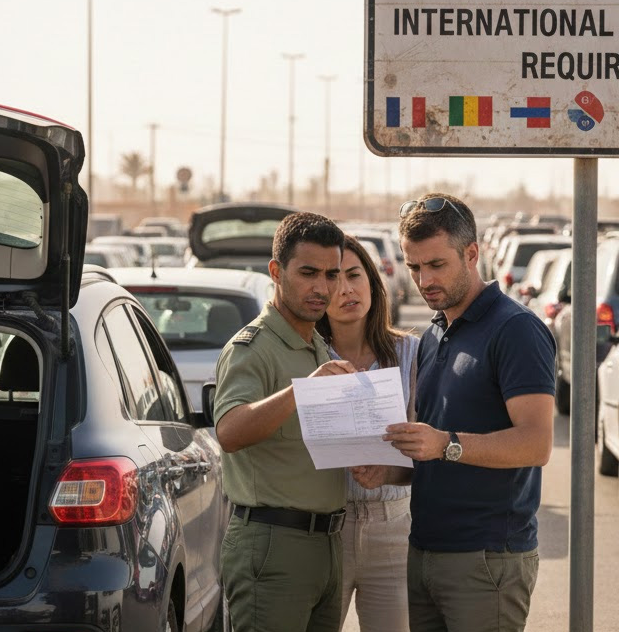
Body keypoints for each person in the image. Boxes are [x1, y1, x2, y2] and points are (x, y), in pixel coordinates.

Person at [353, 193, 556, 632]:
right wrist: (390, 472)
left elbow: (536, 443)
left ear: (472, 254)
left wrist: (445, 443)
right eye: (413, 267)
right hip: (425, 551)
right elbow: (435, 452)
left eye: (436, 265)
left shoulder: (516, 329)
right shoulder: (434, 332)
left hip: (487, 560)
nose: (424, 279)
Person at [213, 211, 357, 632]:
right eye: (308, 273)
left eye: (332, 275)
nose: (322, 287)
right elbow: (230, 431)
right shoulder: (252, 349)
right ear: (276, 271)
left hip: (326, 546)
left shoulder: (317, 347)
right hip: (273, 545)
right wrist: (303, 390)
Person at [315, 235, 419, 632]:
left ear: (373, 283)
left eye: (355, 275)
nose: (346, 290)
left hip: (394, 527)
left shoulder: (412, 353)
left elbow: (426, 450)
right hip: (324, 531)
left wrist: (388, 473)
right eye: (333, 280)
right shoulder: (309, 357)